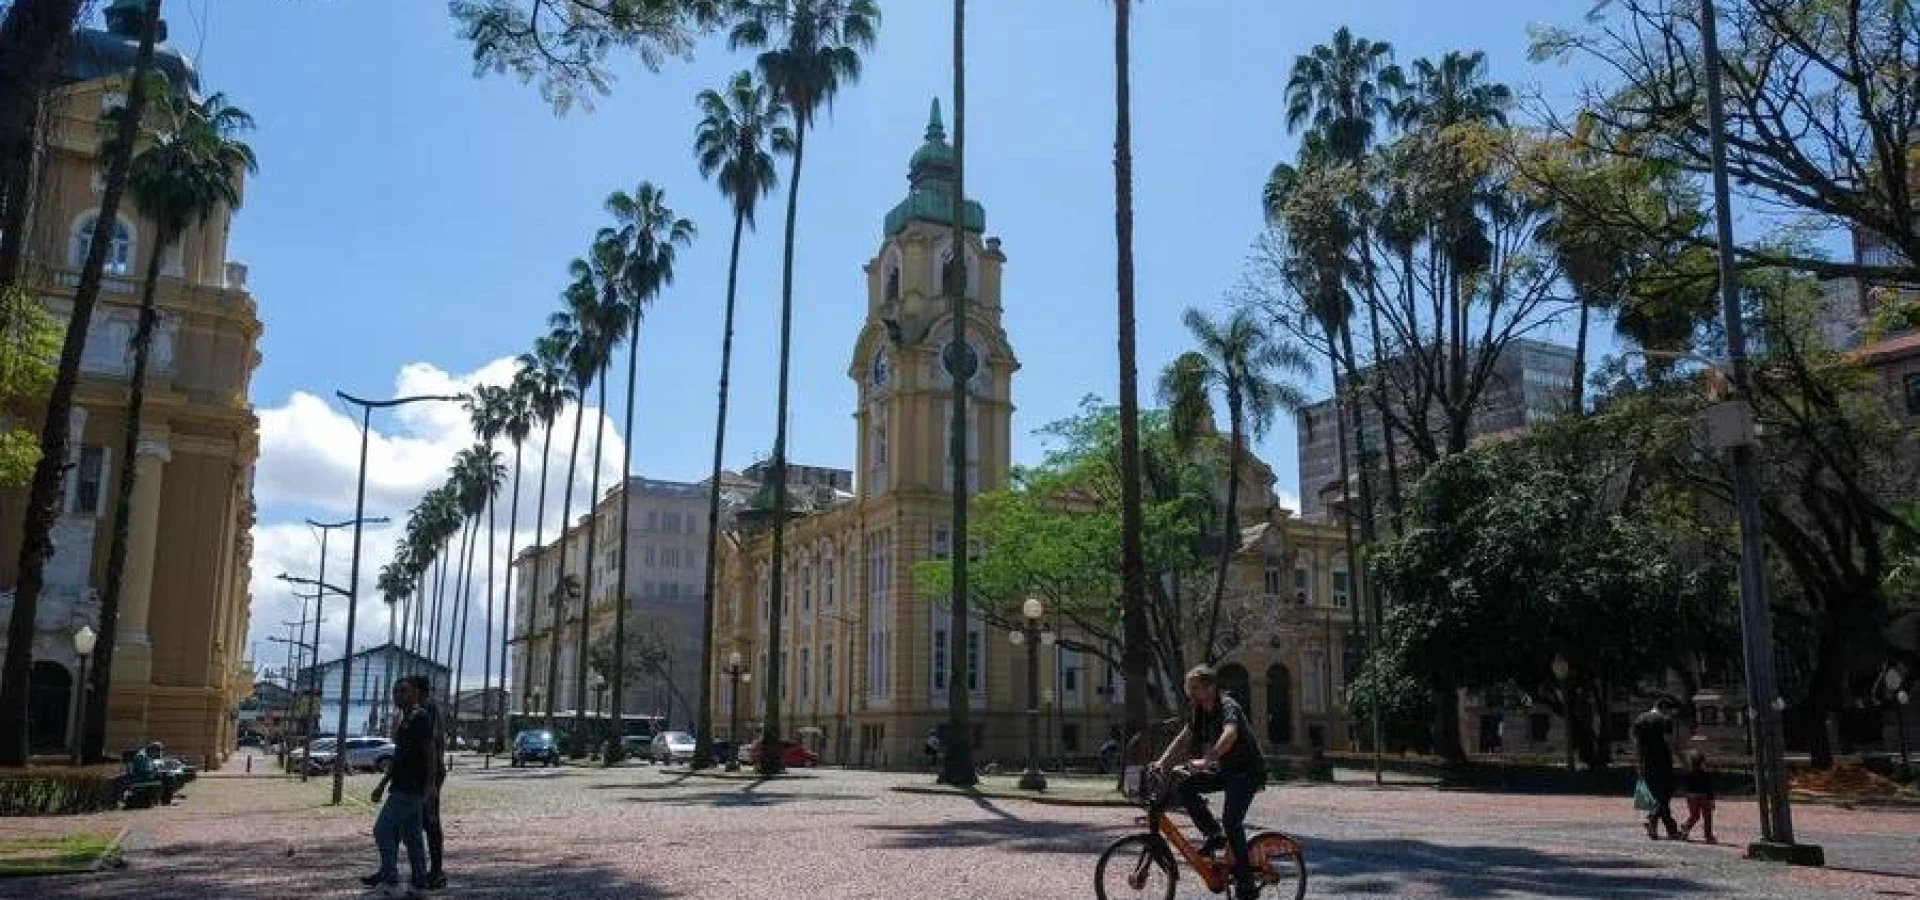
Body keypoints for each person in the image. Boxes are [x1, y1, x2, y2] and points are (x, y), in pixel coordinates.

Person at [1152, 666, 1266, 900]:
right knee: (1185, 786)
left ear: (1210, 688)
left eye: (1193, 688)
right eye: (1188, 687)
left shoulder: (1228, 706)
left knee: (1232, 821)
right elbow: (1184, 737)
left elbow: (1230, 733)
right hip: (1226, 769)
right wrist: (1162, 763)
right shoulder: (1200, 710)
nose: (1188, 692)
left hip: (1247, 772)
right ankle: (1214, 834)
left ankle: (1246, 885)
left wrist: (1207, 759)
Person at [362, 675, 433, 898]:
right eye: (396, 691)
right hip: (401, 785)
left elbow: (429, 751)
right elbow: (398, 757)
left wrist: (431, 784)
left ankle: (391, 882)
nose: (398, 695)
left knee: (383, 829)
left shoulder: (420, 717)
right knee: (412, 837)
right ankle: (420, 885)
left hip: (411, 787)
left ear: (415, 694)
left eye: (403, 691)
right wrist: (382, 784)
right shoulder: (405, 719)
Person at [1632, 697, 1682, 840]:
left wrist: (1638, 763)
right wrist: (1682, 760)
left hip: (1646, 763)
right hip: (1663, 763)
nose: (1671, 715)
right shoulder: (1664, 720)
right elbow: (1670, 742)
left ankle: (1667, 828)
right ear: (1665, 708)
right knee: (1664, 795)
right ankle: (1655, 822)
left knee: (1656, 796)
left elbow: (1636, 744)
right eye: (1671, 712)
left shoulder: (1640, 719)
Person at [1679, 750, 1717, 843]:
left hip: (1691, 796)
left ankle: (1686, 827)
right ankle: (1708, 835)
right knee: (1707, 816)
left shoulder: (1688, 773)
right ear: (1701, 762)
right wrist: (1712, 800)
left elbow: (1686, 786)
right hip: (1703, 796)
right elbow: (1708, 787)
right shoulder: (1705, 774)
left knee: (1695, 815)